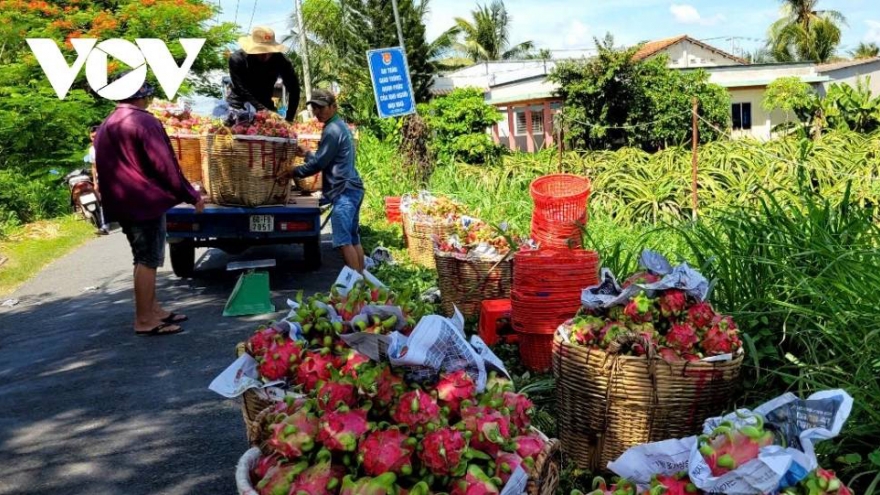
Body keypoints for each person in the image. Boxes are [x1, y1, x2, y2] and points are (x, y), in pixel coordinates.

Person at [94, 82, 204, 336]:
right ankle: (144, 319)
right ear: (141, 96)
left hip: (122, 202)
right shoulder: (143, 122)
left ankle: (153, 309)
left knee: (141, 256)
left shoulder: (108, 124)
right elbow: (165, 166)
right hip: (143, 201)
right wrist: (191, 194)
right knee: (148, 259)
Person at [292, 89, 365, 272]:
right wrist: (308, 154)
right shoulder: (338, 126)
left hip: (344, 192)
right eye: (315, 108)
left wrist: (293, 172)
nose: (317, 112)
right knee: (352, 238)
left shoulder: (332, 130)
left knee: (343, 241)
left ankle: (357, 289)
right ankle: (363, 283)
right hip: (352, 188)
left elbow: (319, 164)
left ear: (333, 107)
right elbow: (326, 160)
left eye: (321, 108)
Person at [227, 26, 300, 122]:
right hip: (239, 105)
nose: (265, 55)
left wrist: (289, 118)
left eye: (268, 51)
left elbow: (294, 89)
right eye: (261, 51)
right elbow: (242, 89)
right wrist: (263, 110)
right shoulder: (238, 59)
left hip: (266, 103)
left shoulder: (280, 60)